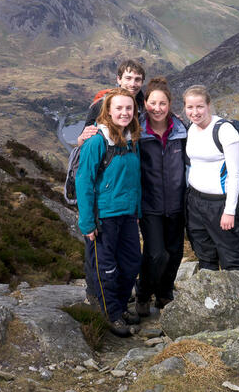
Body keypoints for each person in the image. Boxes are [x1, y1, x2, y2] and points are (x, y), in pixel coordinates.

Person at [76, 87, 143, 336]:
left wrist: (136, 210)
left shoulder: (131, 140)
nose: (124, 112)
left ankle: (121, 306)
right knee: (106, 269)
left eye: (129, 108)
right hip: (103, 217)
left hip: (127, 215)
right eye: (119, 108)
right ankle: (112, 315)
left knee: (131, 263)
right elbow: (84, 183)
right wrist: (87, 223)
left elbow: (135, 179)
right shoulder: (96, 142)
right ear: (108, 111)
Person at [183, 85, 239, 276]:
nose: (195, 112)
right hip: (195, 202)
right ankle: (210, 301)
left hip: (220, 204)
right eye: (190, 107)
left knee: (233, 259)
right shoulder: (191, 129)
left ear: (209, 105)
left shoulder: (225, 131)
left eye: (199, 107)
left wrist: (229, 211)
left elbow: (235, 173)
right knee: (205, 255)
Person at [134, 77, 187, 317]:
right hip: (149, 204)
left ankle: (165, 294)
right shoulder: (137, 132)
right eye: (152, 103)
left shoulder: (181, 131)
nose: (157, 108)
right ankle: (143, 293)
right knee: (156, 253)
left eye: (162, 103)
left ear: (170, 104)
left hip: (177, 204)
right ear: (145, 103)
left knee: (175, 253)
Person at [76, 59, 145, 146]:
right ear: (119, 79)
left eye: (137, 79)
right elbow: (82, 141)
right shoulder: (101, 105)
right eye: (128, 78)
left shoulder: (146, 107)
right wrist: (82, 138)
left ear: (142, 82)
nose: (132, 84)